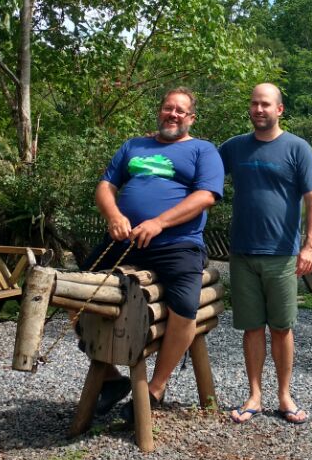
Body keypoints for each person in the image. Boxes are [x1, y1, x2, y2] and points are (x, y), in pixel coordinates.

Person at [84, 87, 224, 418]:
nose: (172, 114)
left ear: (191, 118)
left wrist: (159, 222)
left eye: (180, 111)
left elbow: (206, 196)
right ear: (159, 111)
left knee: (186, 307)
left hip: (178, 245)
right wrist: (115, 216)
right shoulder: (134, 145)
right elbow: (105, 186)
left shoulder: (203, 151)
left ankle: (155, 387)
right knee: (75, 291)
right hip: (125, 242)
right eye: (167, 108)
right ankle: (108, 377)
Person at [218, 83, 312, 425]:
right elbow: (201, 173)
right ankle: (254, 396)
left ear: (279, 109)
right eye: (254, 104)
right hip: (243, 253)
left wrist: (309, 246)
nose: (258, 109)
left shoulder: (297, 148)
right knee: (251, 328)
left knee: (281, 327)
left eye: (265, 104)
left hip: (282, 254)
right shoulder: (234, 148)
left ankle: (284, 395)